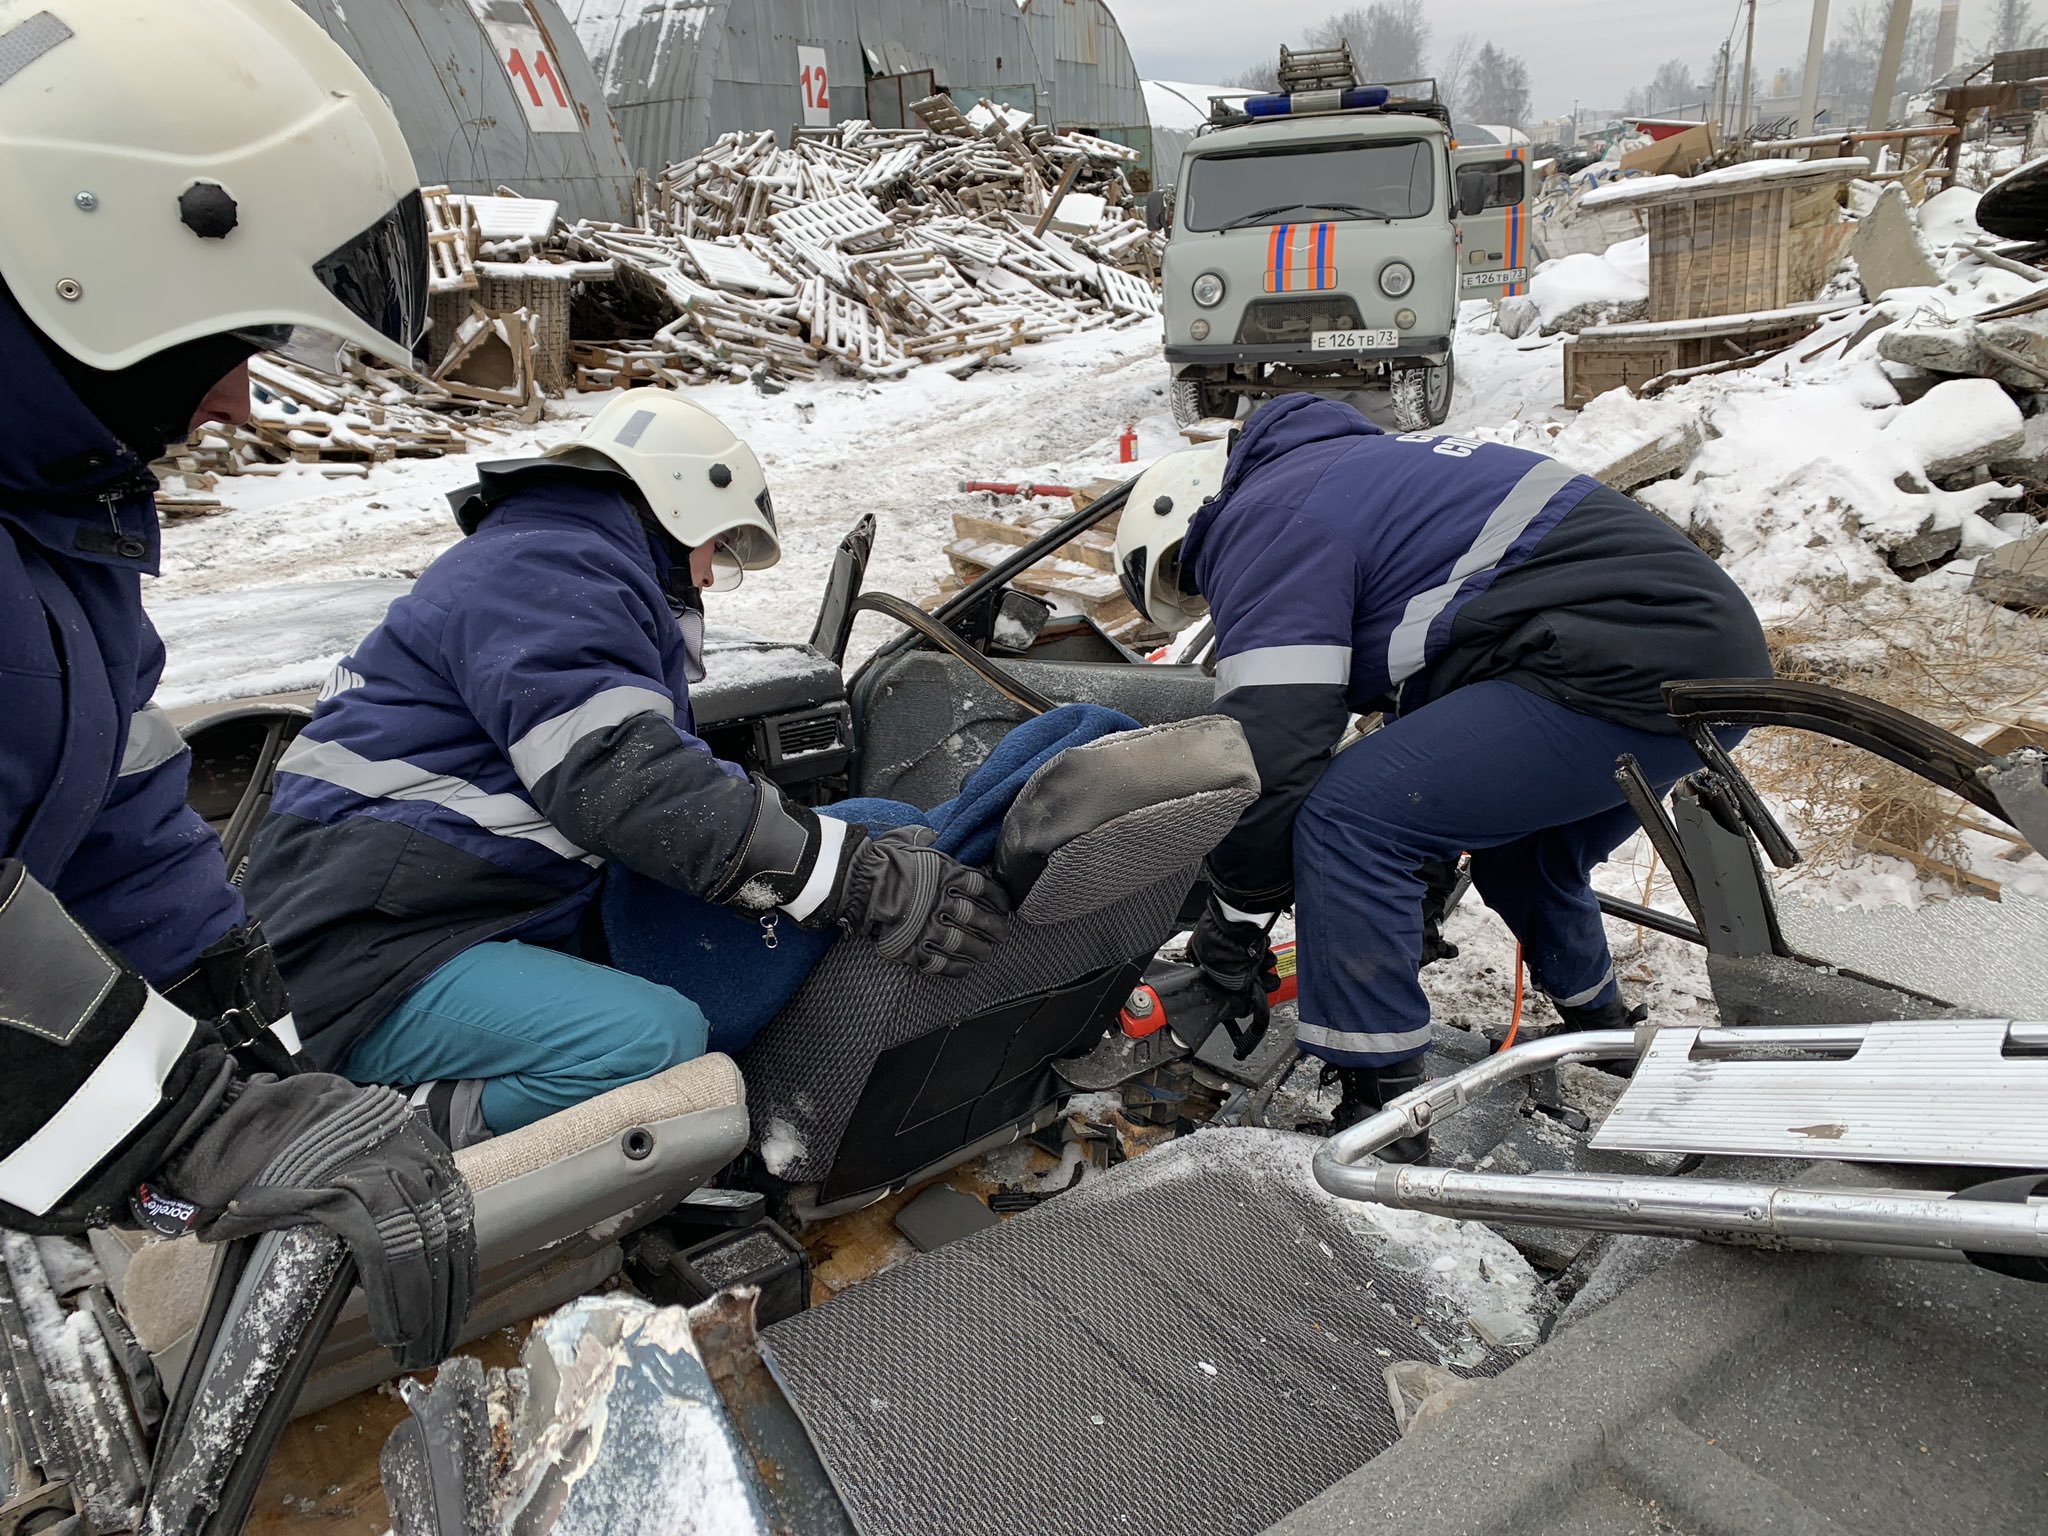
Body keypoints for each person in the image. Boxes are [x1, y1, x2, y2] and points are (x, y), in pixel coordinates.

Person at [0, 0, 472, 1367]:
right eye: (227, 345)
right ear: (89, 267)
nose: (241, 406)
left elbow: (116, 807)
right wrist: (190, 1125)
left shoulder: (55, 517)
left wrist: (242, 1036)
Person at [242, 393, 1011, 1147]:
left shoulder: (554, 562)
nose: (710, 577)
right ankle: (370, 1140)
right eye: (720, 548)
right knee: (653, 1040)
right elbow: (627, 782)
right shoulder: (549, 570)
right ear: (677, 505)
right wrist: (858, 882)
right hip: (370, 956)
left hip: (440, 917)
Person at [1116, 395, 1770, 1161]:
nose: (1210, 594)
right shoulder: (1351, 478)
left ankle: (1382, 1125)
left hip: (1617, 663)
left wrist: (1234, 918)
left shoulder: (1266, 514)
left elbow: (1273, 746)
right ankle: (1604, 1031)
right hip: (1708, 666)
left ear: (1186, 520)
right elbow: (1437, 703)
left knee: (1351, 818)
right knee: (1529, 859)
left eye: (1190, 580)